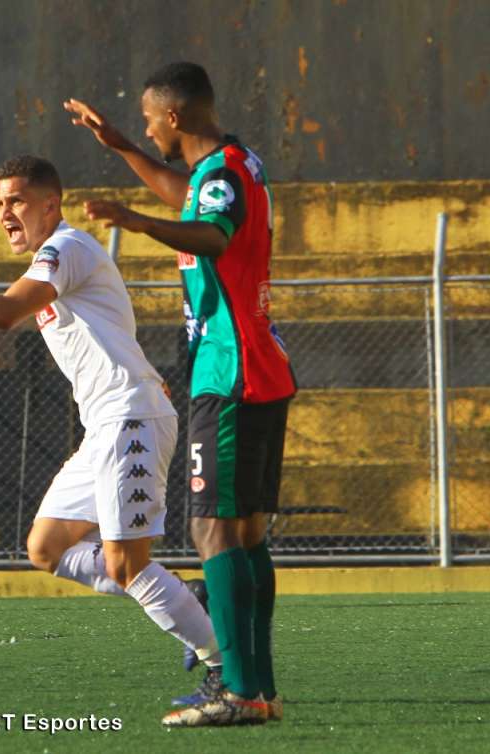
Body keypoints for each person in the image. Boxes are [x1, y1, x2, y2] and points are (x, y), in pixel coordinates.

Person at [0, 154, 220, 683]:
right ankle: (182, 593)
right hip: (108, 425)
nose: (4, 213)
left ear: (51, 204)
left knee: (126, 565)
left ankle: (223, 667)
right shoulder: (53, 256)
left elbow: (2, 315)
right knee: (46, 547)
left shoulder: (65, 248)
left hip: (129, 415)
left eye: (16, 201)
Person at [65, 62, 295, 727]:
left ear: (175, 116)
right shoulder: (225, 170)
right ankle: (261, 690)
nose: (144, 127)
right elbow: (189, 199)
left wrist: (130, 219)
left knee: (212, 529)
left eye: (147, 120)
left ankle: (242, 692)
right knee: (245, 533)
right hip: (255, 368)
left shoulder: (222, 175)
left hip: (229, 372)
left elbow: (212, 235)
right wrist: (124, 150)